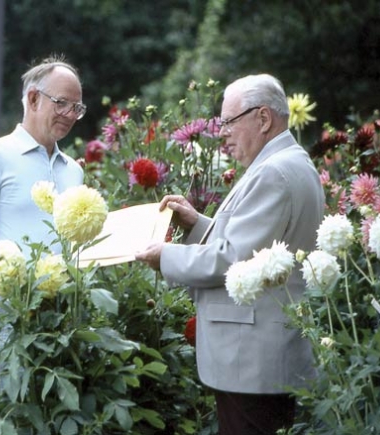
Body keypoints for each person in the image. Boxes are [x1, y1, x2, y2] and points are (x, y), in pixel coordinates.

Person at [135, 74, 325, 434]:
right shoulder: (289, 162)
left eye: (229, 122)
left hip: (253, 360)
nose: (221, 133)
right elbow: (256, 246)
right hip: (260, 357)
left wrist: (165, 256)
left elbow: (232, 260)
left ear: (263, 119)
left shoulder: (274, 172)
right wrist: (197, 224)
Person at [0, 55, 85, 365]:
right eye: (62, 103)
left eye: (77, 108)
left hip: (62, 329)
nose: (69, 115)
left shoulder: (74, 171)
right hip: (7, 329)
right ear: (32, 99)